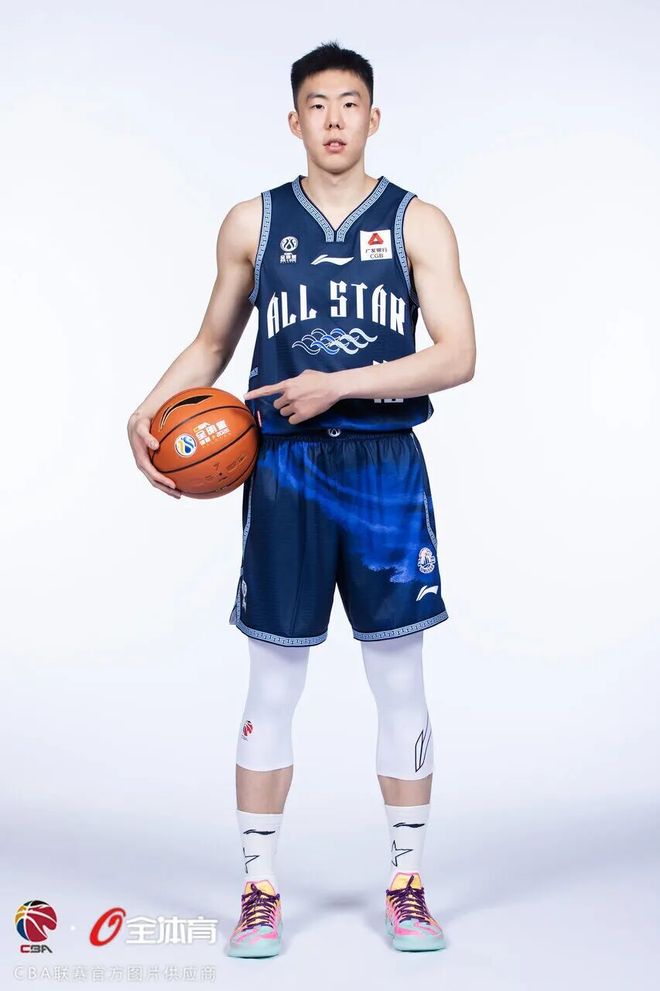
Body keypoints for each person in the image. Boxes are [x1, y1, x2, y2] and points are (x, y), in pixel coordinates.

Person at [127, 40, 476, 957]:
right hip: (282, 471)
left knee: (398, 678)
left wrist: (341, 384)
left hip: (383, 469)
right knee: (274, 680)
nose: (333, 119)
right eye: (317, 105)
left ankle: (407, 884)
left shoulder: (418, 222)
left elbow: (457, 355)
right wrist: (148, 408)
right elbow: (213, 343)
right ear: (294, 120)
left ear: (373, 117)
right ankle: (259, 888)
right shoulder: (253, 221)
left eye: (349, 103)